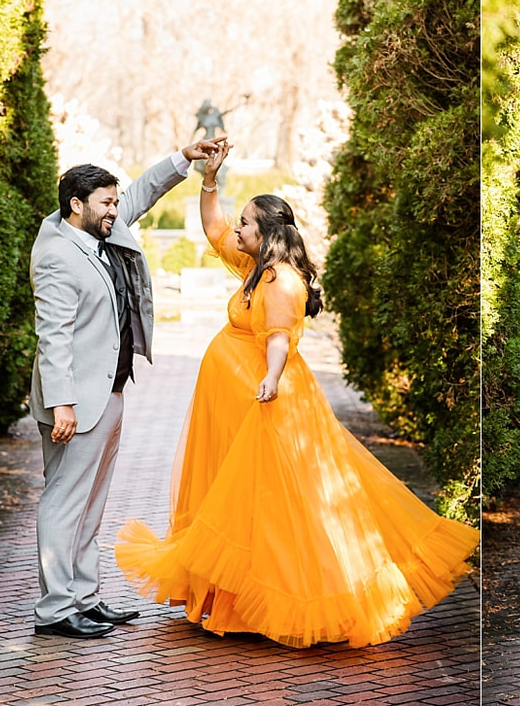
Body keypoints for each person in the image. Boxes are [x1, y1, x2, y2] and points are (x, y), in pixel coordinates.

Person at [115, 142, 480, 648]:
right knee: (234, 499)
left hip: (262, 400)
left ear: (265, 233)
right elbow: (213, 227)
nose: (237, 229)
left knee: (277, 501)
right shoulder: (255, 269)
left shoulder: (281, 280)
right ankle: (229, 600)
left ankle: (290, 598)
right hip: (231, 402)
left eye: (246, 222)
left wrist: (269, 379)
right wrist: (209, 179)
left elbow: (280, 337)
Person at [29, 137, 228, 639]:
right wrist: (63, 405)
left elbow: (141, 193)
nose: (117, 210)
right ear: (77, 205)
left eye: (116, 202)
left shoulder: (98, 231)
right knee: (64, 500)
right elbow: (51, 336)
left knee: (91, 501)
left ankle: (84, 597)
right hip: (76, 403)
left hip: (112, 390)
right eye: (107, 203)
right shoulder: (56, 254)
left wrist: (185, 157)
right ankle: (56, 609)